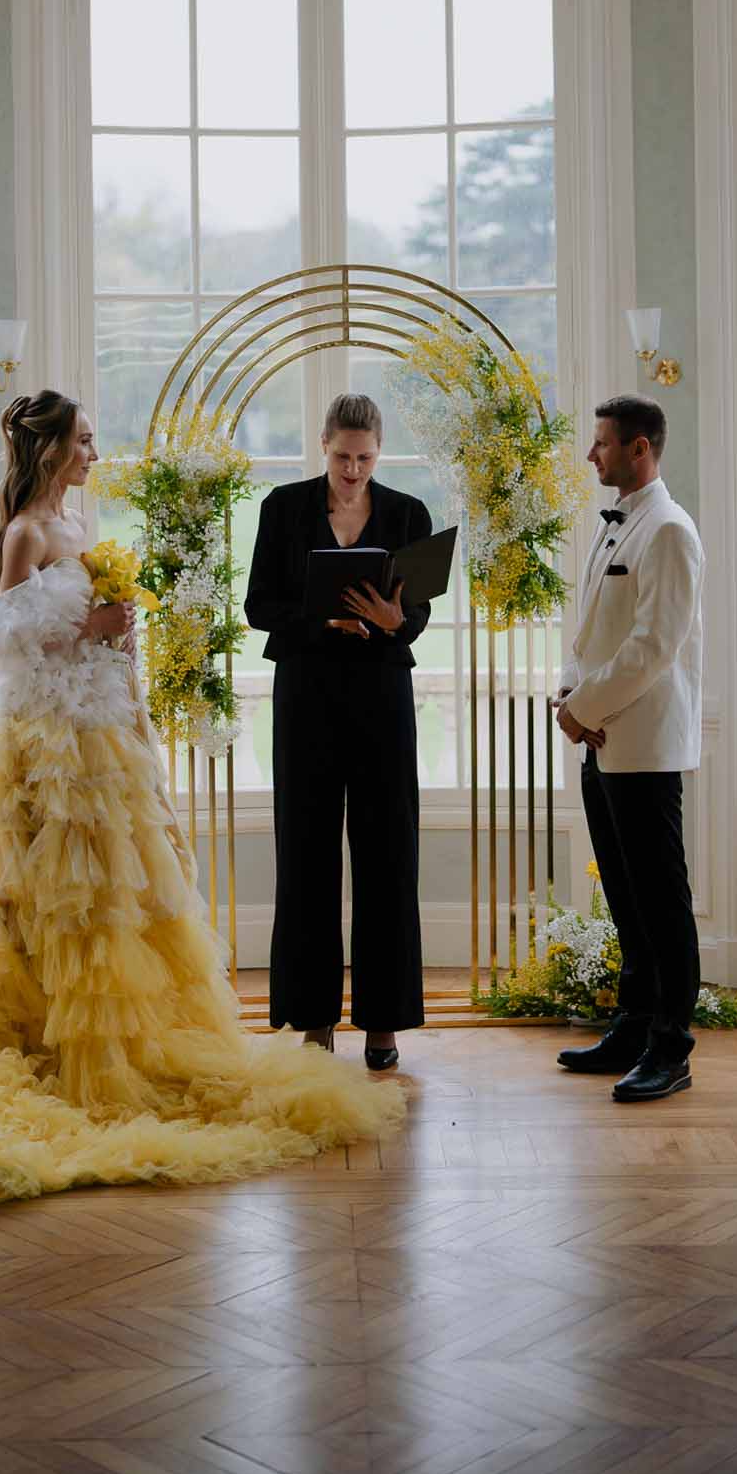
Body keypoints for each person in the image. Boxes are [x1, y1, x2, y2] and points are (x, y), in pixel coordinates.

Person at [0, 390, 404, 1205]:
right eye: (84, 441)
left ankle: (113, 1046)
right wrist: (88, 630)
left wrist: (127, 684)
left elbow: (90, 630)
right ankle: (41, 1050)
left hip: (100, 732)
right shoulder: (26, 532)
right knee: (39, 901)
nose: (94, 452)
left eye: (92, 438)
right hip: (43, 742)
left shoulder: (78, 528)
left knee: (110, 904)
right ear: (49, 448)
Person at [245, 393, 432, 1071]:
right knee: (306, 852)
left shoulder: (408, 512)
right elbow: (256, 605)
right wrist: (317, 621)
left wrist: (392, 622)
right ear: (321, 444)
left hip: (382, 691)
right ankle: (313, 1017)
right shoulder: (282, 507)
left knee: (387, 854)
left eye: (364, 458)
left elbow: (419, 611)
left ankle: (383, 1024)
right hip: (307, 691)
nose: (353, 470)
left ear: (378, 453)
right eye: (341, 456)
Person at [551, 394, 704, 1102]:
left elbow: (652, 649)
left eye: (603, 444)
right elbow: (595, 631)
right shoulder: (618, 524)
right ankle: (633, 1025)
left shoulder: (668, 530)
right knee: (623, 896)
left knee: (659, 902)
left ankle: (670, 1047)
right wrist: (568, 697)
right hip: (600, 738)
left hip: (641, 745)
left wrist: (581, 711)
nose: (592, 455)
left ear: (640, 449)